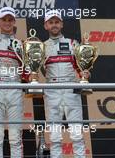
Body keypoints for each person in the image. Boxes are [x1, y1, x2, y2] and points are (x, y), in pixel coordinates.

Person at [43, 9, 89, 158]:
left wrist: (85, 73)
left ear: (61, 24)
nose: (54, 25)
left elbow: (82, 67)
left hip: (71, 89)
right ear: (46, 26)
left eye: (57, 22)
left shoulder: (72, 44)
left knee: (77, 135)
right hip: (51, 90)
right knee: (55, 137)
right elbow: (35, 70)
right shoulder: (41, 47)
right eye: (51, 22)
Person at [0, 6, 25, 158]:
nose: (7, 23)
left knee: (15, 137)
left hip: (15, 90)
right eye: (4, 20)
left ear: (14, 22)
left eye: (10, 20)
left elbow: (27, 69)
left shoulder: (21, 44)